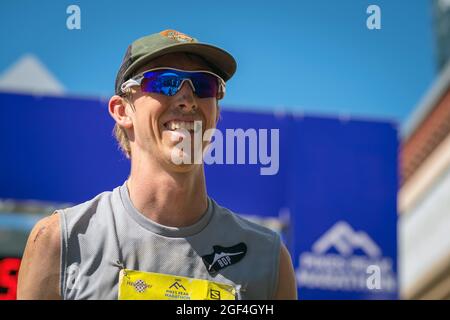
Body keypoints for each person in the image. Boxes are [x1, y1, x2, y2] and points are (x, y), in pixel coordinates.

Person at [17, 29, 297, 300]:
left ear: (216, 111)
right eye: (164, 82)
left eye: (203, 85)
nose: (187, 101)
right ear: (122, 110)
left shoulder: (267, 258)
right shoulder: (60, 241)